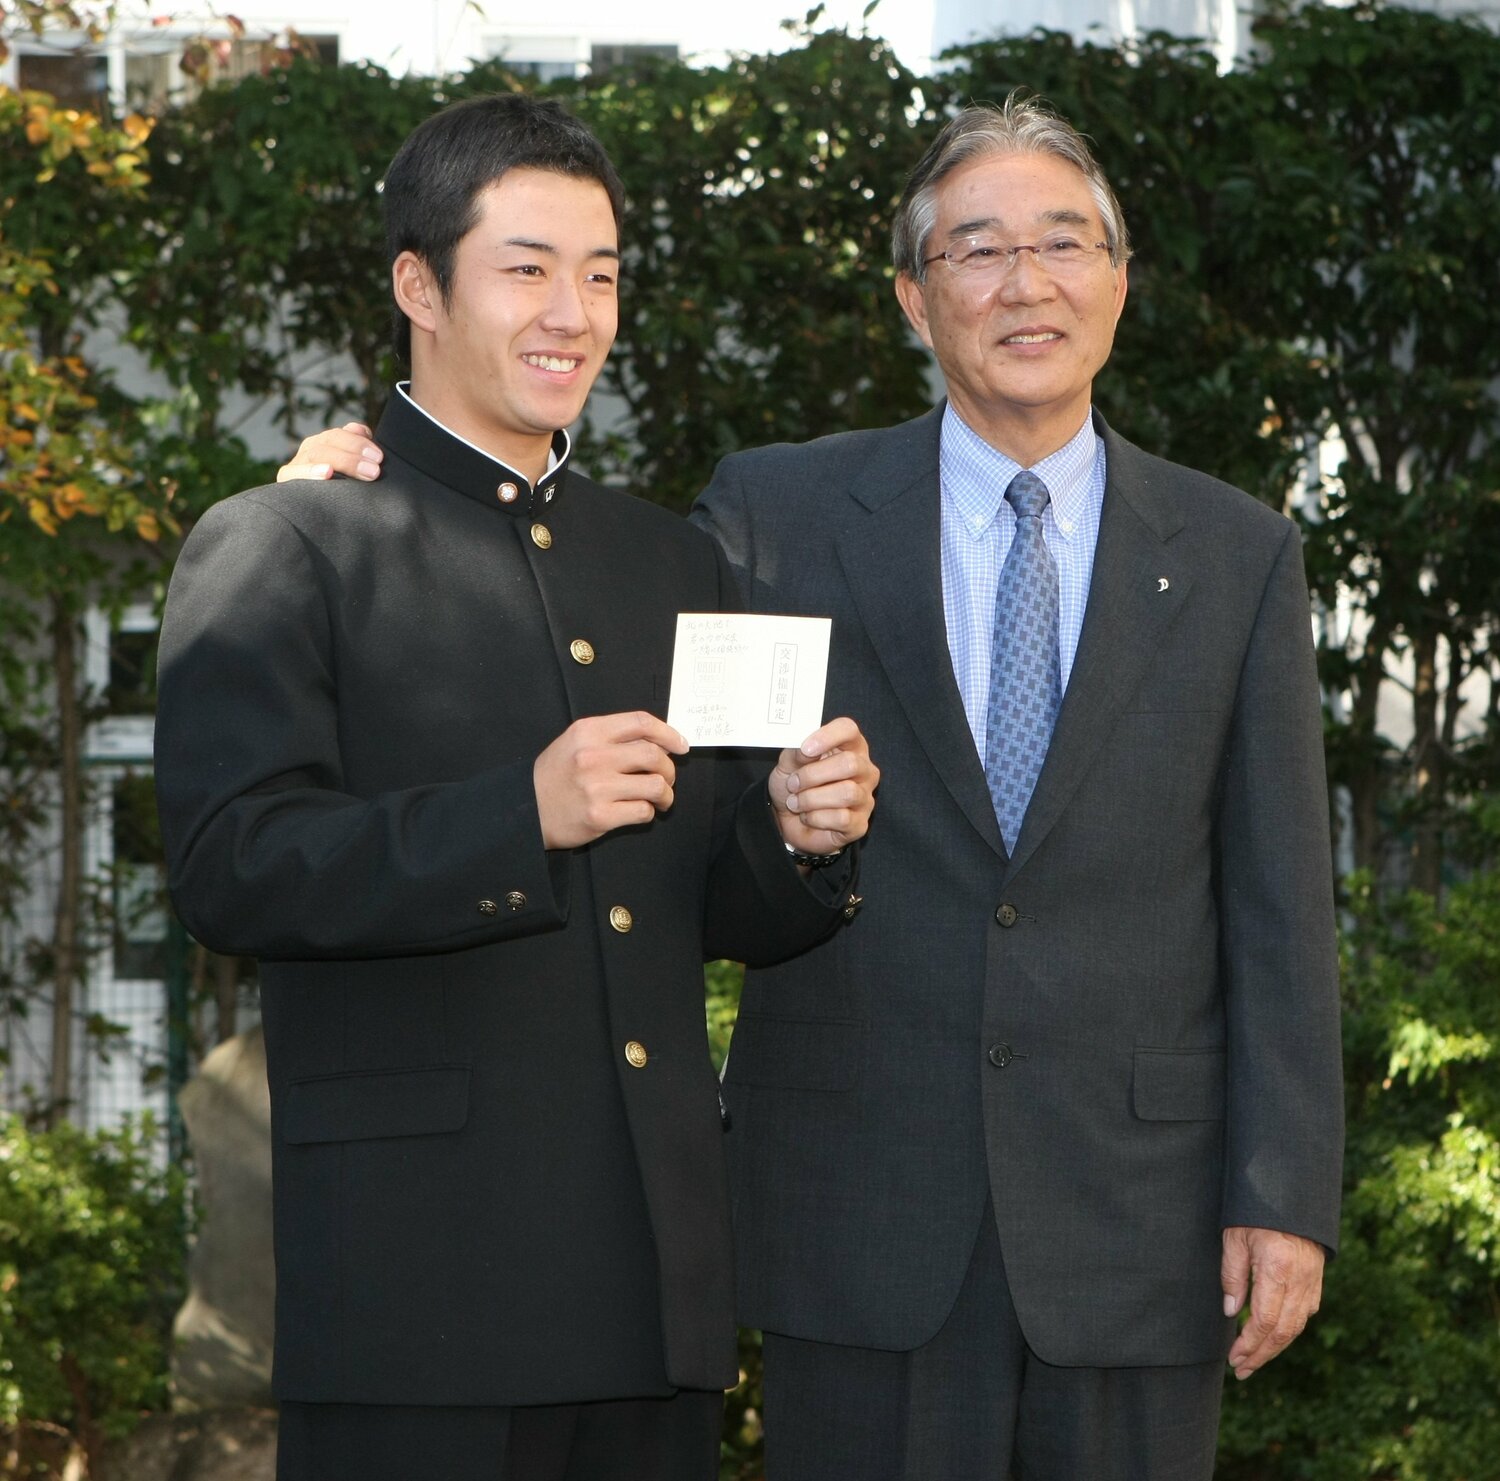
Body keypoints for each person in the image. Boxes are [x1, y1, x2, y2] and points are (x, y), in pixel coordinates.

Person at [283, 94, 1343, 1481]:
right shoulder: (775, 514)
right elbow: (567, 595)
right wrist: (365, 494)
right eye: (975, 249)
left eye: (1065, 243)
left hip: (1135, 1222)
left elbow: (1280, 902)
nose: (1026, 282)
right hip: (856, 1216)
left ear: (1120, 278)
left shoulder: (1236, 552)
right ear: (913, 296)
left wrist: (1281, 1192)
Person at [155, 93, 877, 1481]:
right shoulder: (286, 541)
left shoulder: (674, 562)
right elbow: (229, 865)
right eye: (529, 268)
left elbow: (704, 900)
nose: (575, 312)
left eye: (602, 273)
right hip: (413, 1301)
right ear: (417, 285)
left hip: (651, 1293)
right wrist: (517, 814)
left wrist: (798, 837)